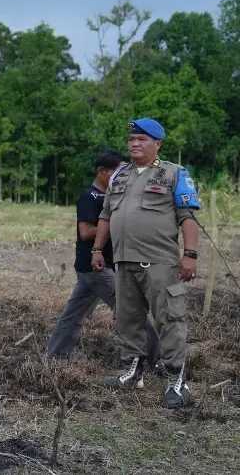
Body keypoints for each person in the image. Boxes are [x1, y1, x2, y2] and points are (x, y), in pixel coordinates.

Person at [91, 118, 199, 409]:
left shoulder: (174, 173)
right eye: (132, 139)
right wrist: (98, 249)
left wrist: (190, 254)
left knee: (169, 320)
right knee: (127, 319)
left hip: (160, 263)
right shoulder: (120, 175)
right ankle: (132, 371)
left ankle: (177, 379)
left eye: (142, 139)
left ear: (157, 144)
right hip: (124, 261)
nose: (135, 144)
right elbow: (105, 216)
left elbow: (187, 217)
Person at [47, 150, 161, 365]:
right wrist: (115, 224)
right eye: (117, 172)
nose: (122, 178)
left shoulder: (114, 197)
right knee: (131, 309)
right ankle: (158, 358)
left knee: (74, 314)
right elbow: (86, 232)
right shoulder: (90, 197)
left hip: (98, 267)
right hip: (96, 268)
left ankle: (56, 357)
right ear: (101, 172)